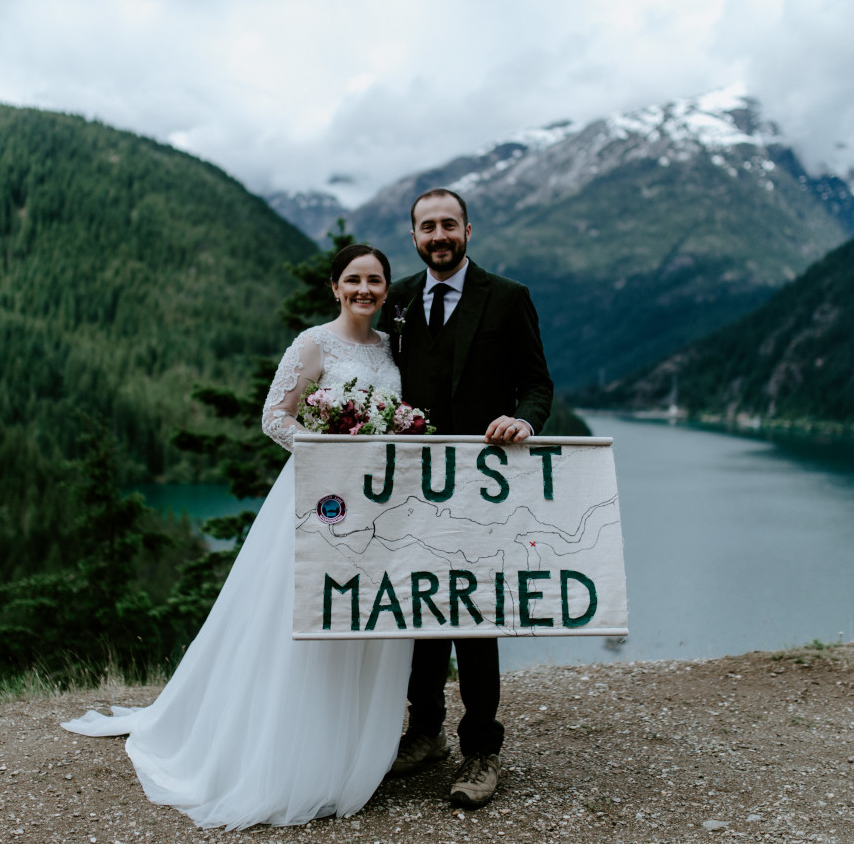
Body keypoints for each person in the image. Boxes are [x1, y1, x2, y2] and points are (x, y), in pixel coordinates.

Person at [61, 244, 413, 830]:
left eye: (375, 281)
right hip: (319, 499)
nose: (365, 290)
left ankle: (349, 752)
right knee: (301, 617)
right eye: (353, 280)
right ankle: (287, 758)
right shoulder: (312, 342)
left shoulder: (390, 349)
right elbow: (276, 416)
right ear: (334, 287)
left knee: (360, 617)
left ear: (386, 289)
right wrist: (329, 451)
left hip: (376, 507)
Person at [380, 187, 554, 809]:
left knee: (476, 615)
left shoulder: (508, 298)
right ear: (414, 237)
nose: (438, 236)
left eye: (448, 224)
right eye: (427, 227)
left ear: (468, 230)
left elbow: (536, 383)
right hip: (412, 489)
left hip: (484, 487)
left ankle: (481, 749)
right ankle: (422, 733)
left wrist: (524, 422)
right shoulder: (396, 298)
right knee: (419, 608)